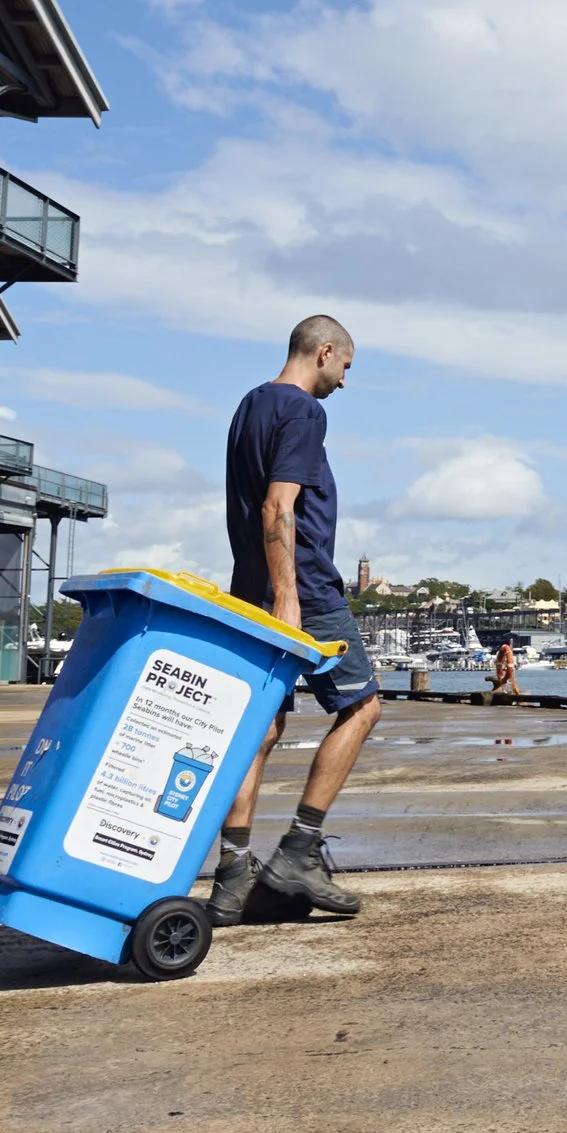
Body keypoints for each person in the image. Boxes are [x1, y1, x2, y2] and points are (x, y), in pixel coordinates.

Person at [209, 315, 383, 925]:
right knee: (362, 707)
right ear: (325, 352)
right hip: (303, 587)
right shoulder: (306, 413)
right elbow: (277, 505)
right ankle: (298, 854)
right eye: (345, 368)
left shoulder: (249, 405)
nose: (343, 381)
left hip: (248, 586)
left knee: (262, 724)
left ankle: (232, 875)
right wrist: (289, 596)